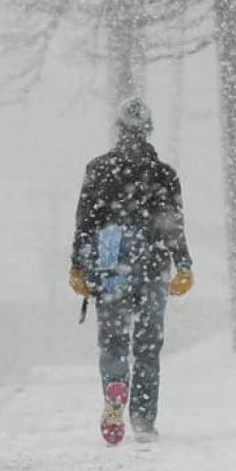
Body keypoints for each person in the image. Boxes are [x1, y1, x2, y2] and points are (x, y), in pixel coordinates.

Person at [68, 97, 193, 444]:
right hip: (153, 263)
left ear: (118, 130)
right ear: (148, 130)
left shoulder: (98, 169)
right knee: (148, 345)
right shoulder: (164, 175)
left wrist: (78, 265)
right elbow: (173, 226)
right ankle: (142, 419)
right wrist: (183, 264)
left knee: (113, 342)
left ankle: (115, 385)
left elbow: (85, 223)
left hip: (111, 262)